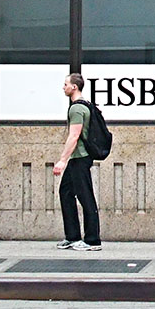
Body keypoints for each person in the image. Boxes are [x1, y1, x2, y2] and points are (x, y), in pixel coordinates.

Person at [52, 73, 101, 251]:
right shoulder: (82, 106)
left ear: (74, 87)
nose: (63, 87)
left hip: (79, 157)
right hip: (78, 158)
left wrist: (62, 160)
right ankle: (72, 236)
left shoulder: (77, 109)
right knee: (65, 193)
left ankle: (92, 240)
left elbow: (74, 136)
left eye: (66, 84)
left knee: (85, 196)